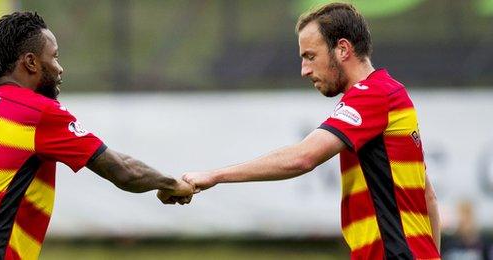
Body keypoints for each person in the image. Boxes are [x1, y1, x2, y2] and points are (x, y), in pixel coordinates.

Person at [0, 12, 193, 260]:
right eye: (54, 57)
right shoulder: (35, 112)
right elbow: (123, 170)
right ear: (31, 62)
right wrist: (171, 184)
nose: (60, 68)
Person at [183, 3, 440, 259]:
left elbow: (303, 157)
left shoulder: (373, 95)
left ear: (342, 49)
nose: (304, 70)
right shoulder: (391, 93)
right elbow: (428, 196)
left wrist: (214, 176)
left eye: (310, 56)